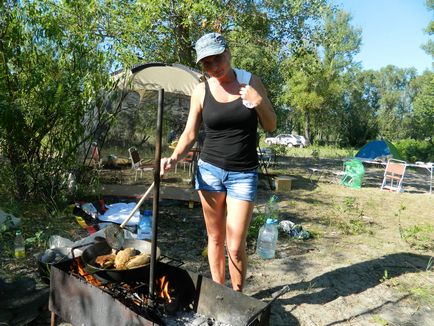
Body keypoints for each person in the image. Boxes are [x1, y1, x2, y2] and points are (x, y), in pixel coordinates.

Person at [160, 32, 276, 292]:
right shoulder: (201, 91)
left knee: (235, 246)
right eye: (207, 63)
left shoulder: (251, 82)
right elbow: (190, 133)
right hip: (209, 171)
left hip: (243, 174)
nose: (215, 67)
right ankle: (219, 294)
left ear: (228, 52)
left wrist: (258, 103)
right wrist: (173, 157)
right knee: (215, 237)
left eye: (218, 58)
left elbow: (271, 125)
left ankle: (236, 296)